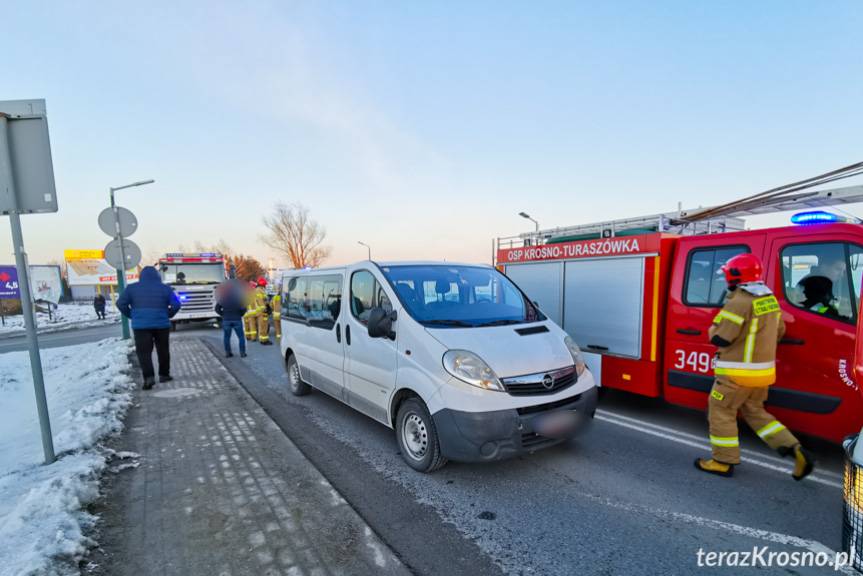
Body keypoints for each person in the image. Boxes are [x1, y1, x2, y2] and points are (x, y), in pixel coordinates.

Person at [695, 253, 815, 480]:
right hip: (762, 374)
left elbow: (720, 338)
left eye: (727, 276)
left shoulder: (739, 302)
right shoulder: (769, 299)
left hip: (735, 375)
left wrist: (714, 326)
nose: (725, 280)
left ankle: (722, 461)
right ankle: (795, 449)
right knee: (756, 413)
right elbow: (779, 332)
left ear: (734, 276)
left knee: (721, 412)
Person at [116, 266, 182, 390]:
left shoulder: (131, 288)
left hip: (140, 326)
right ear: (157, 276)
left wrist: (131, 315)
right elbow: (176, 304)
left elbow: (120, 303)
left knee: (143, 353)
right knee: (163, 350)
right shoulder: (165, 288)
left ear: (141, 276)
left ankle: (148, 378)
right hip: (161, 325)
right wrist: (168, 314)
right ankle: (164, 375)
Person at [215, 280, 247, 358]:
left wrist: (223, 315)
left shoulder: (223, 298)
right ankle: (242, 353)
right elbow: (244, 308)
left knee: (226, 337)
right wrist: (240, 314)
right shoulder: (238, 298)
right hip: (237, 319)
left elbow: (217, 309)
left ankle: (228, 353)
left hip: (226, 320)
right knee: (241, 337)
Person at [255, 277, 273, 345]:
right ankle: (263, 341)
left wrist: (268, 306)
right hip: (262, 312)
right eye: (265, 284)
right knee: (263, 326)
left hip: (263, 311)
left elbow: (265, 300)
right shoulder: (258, 290)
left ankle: (264, 339)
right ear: (262, 284)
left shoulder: (261, 290)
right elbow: (260, 301)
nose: (265, 286)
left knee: (265, 326)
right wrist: (265, 309)